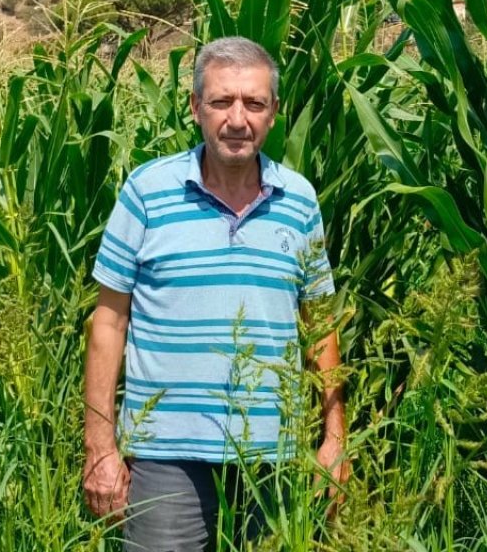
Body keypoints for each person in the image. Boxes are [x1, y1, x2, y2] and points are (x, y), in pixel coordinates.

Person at [82, 36, 349, 551]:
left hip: (271, 455)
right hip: (166, 456)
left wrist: (334, 438)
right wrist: (100, 446)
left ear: (274, 113)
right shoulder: (147, 192)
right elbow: (109, 322)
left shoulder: (299, 201)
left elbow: (319, 325)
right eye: (222, 101)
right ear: (195, 109)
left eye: (254, 103)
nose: (237, 119)